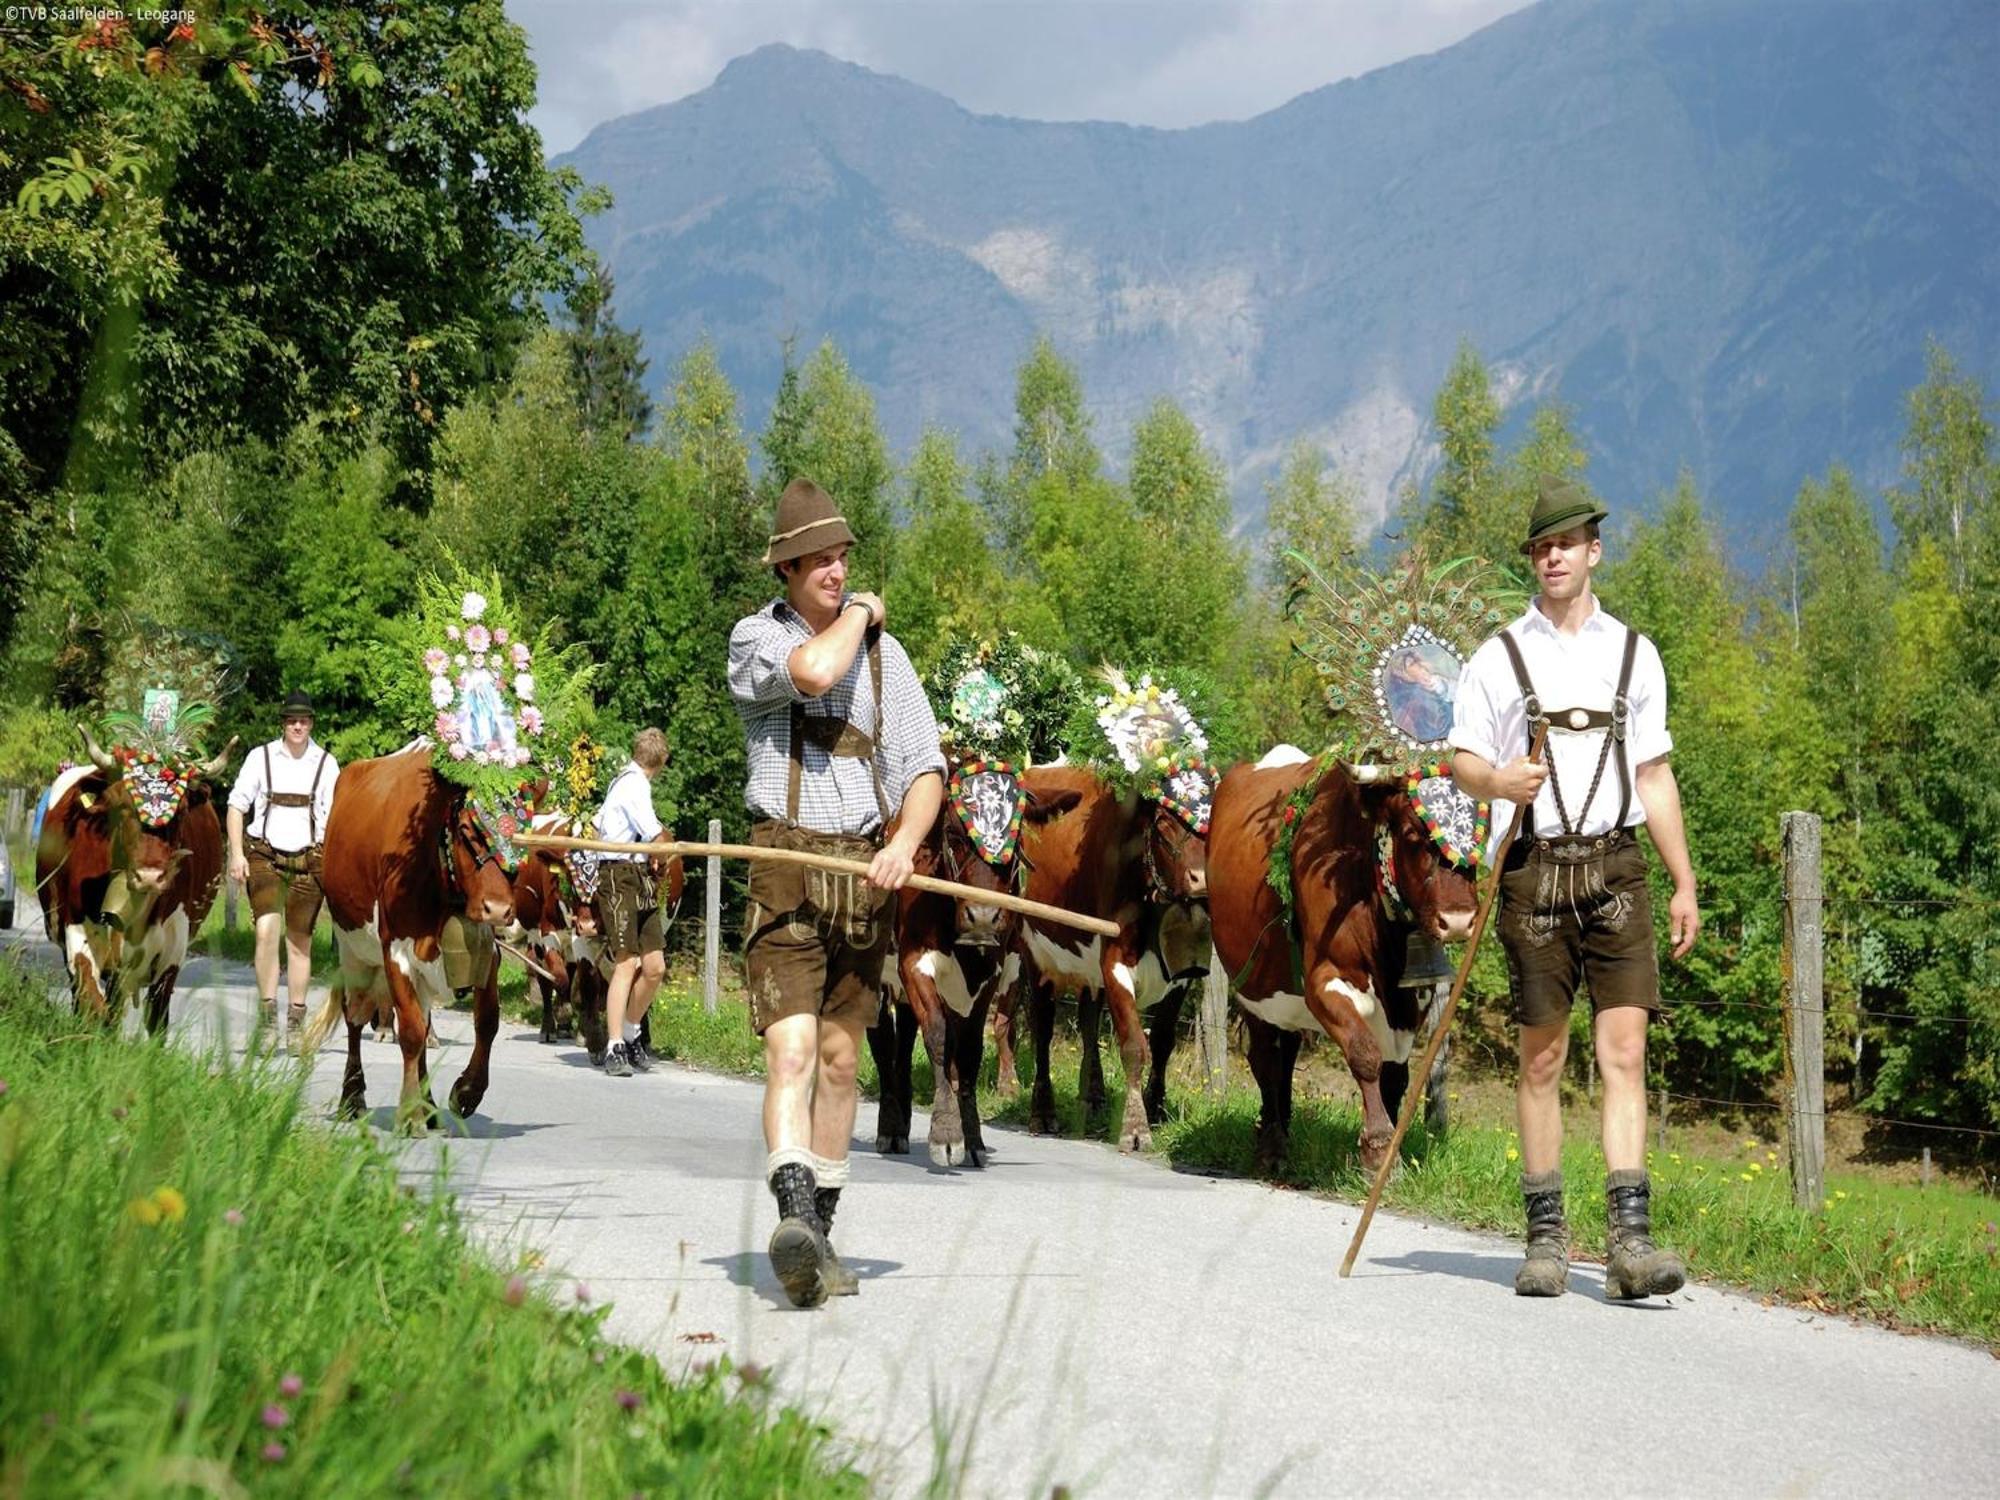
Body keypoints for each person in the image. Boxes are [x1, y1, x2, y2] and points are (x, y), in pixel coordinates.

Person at [1448, 476, 1700, 1301]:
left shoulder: (1635, 654)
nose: (1553, 555)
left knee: (1624, 1050)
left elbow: (1654, 775)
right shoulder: (1497, 657)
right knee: (1544, 1056)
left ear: (1594, 550)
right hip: (1534, 870)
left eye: (1567, 542)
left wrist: (1683, 882)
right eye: (1540, 546)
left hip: (1618, 868)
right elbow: (1459, 762)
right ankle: (1547, 1241)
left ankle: (1630, 1245)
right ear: (1534, 559)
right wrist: (1500, 781)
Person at [727, 477, 945, 1308]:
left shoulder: (892, 662)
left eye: (842, 557)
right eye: (818, 560)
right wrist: (863, 611)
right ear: (785, 570)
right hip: (782, 864)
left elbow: (924, 769)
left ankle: (816, 1234)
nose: (834, 570)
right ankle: (792, 1220)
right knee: (788, 1050)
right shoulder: (756, 639)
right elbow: (815, 673)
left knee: (842, 1059)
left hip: (865, 870)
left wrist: (904, 843)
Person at [226, 690, 338, 1042]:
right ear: (283, 723)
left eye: (303, 720)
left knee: (299, 944)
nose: (298, 726)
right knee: (265, 933)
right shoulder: (260, 758)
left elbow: (334, 819)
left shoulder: (326, 763)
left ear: (311, 723)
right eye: (292, 720)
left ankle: (295, 1021)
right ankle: (268, 1015)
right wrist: (236, 854)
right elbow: (235, 806)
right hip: (264, 855)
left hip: (309, 859)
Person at [594, 728, 670, 1078]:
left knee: (654, 966)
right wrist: (666, 845)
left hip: (638, 875)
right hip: (619, 875)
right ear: (662, 761)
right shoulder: (633, 784)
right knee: (627, 963)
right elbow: (655, 834)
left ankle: (630, 1030)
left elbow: (598, 825)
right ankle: (613, 1046)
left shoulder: (625, 782)